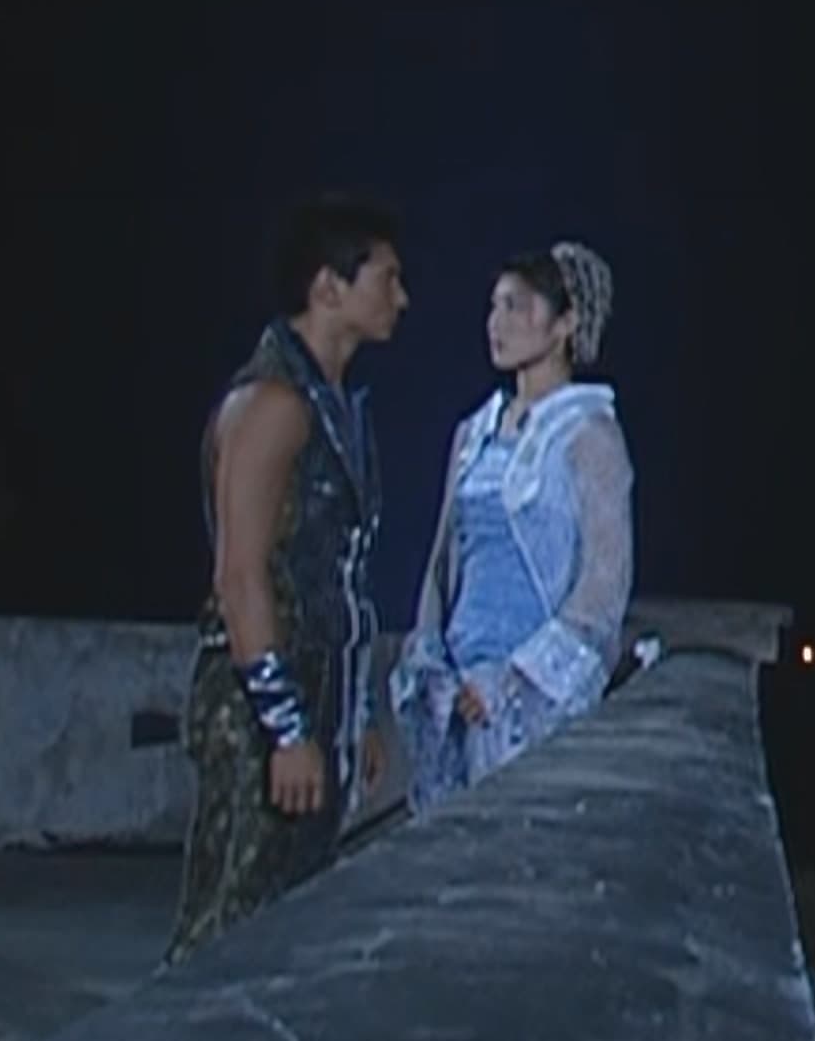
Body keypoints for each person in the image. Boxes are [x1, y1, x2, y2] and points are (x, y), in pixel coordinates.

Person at [165, 194, 408, 965]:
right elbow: (240, 579)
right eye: (387, 278)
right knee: (229, 931)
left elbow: (341, 577)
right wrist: (287, 729)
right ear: (328, 286)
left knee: (292, 930)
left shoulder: (334, 408)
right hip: (263, 707)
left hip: (319, 693)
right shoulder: (273, 404)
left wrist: (355, 713)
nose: (402, 298)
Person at [393, 241, 636, 813]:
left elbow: (603, 585)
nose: (496, 323)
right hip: (456, 691)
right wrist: (429, 655)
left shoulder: (589, 433)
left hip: (530, 700)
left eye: (516, 307)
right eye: (493, 306)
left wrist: (514, 681)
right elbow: (443, 559)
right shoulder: (473, 433)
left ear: (565, 324)